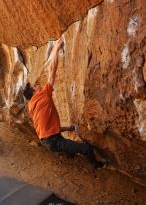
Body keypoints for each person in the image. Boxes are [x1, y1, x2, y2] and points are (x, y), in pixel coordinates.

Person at [23, 38, 107, 169]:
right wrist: (56, 48)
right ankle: (96, 165)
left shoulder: (32, 105)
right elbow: (52, 70)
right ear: (34, 92)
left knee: (65, 146)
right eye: (35, 86)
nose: (37, 85)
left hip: (46, 141)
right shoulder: (43, 94)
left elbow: (48, 128)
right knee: (86, 148)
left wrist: (68, 128)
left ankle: (69, 154)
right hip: (54, 141)